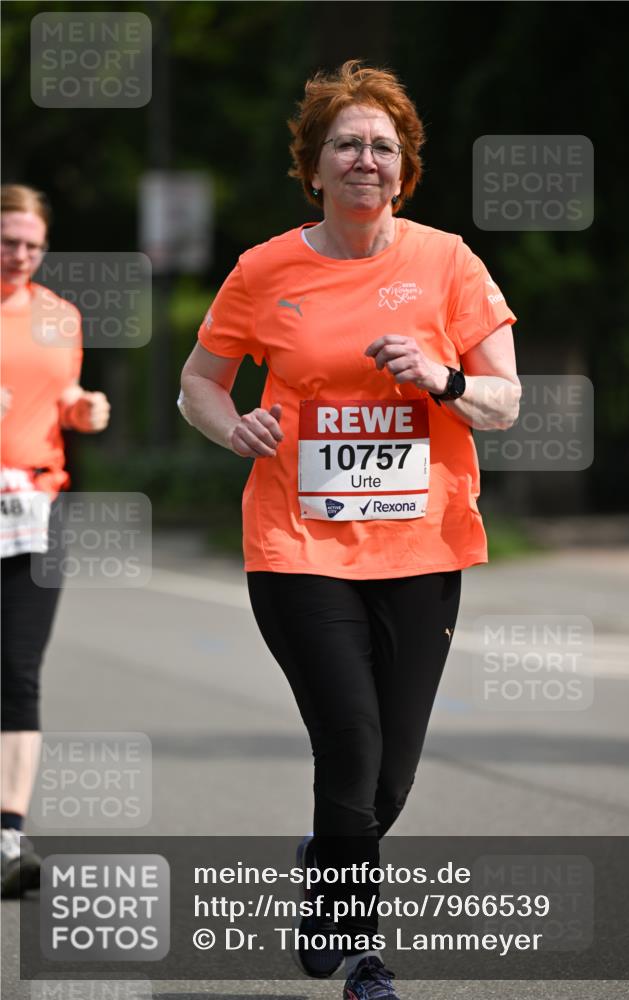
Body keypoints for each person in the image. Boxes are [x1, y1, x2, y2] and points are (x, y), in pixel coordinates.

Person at [179, 61, 520, 1000]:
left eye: (383, 146)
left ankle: (327, 853)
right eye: (346, 144)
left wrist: (441, 378)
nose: (365, 159)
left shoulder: (447, 262)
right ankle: (362, 954)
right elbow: (197, 384)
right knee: (352, 746)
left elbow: (504, 398)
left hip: (422, 547)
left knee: (389, 783)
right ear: (314, 166)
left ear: (403, 170)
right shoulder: (264, 270)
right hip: (297, 545)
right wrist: (233, 424)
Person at [0, 184, 110, 897]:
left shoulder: (59, 317)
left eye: (33, 245)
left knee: (18, 669)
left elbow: (62, 395)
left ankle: (8, 833)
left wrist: (84, 407)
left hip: (32, 505)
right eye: (9, 241)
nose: (20, 255)